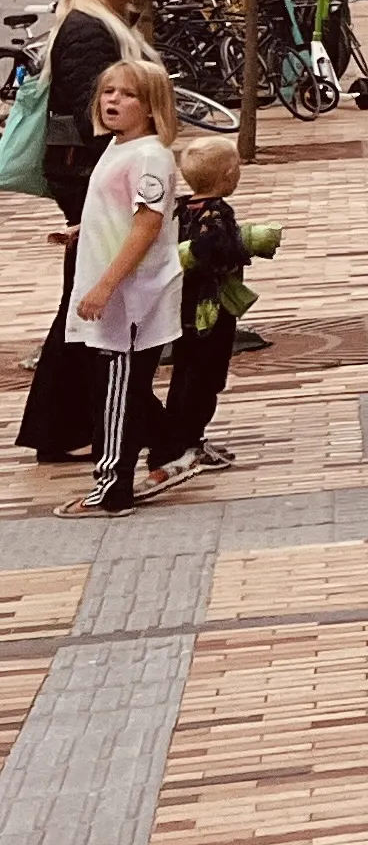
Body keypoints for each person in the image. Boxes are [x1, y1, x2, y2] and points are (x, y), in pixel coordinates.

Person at [17, 0, 158, 464]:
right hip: (90, 176)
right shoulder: (86, 28)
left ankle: (73, 425)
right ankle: (74, 426)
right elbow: (92, 109)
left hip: (95, 172)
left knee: (94, 296)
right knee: (94, 296)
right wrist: (128, 168)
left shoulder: (108, 20)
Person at [64, 60, 181, 514]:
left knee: (116, 395)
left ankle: (112, 487)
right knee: (113, 389)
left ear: (152, 107)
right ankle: (171, 448)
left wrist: (104, 287)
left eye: (127, 94)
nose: (112, 100)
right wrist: (82, 230)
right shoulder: (118, 148)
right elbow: (121, 214)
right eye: (108, 91)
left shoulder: (149, 156)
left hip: (129, 301)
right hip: (114, 297)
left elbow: (147, 225)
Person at [152, 135, 270, 488]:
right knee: (205, 379)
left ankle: (179, 438)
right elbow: (212, 252)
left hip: (181, 309)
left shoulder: (179, 208)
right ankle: (188, 442)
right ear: (229, 175)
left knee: (185, 373)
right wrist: (245, 245)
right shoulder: (217, 213)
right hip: (211, 310)